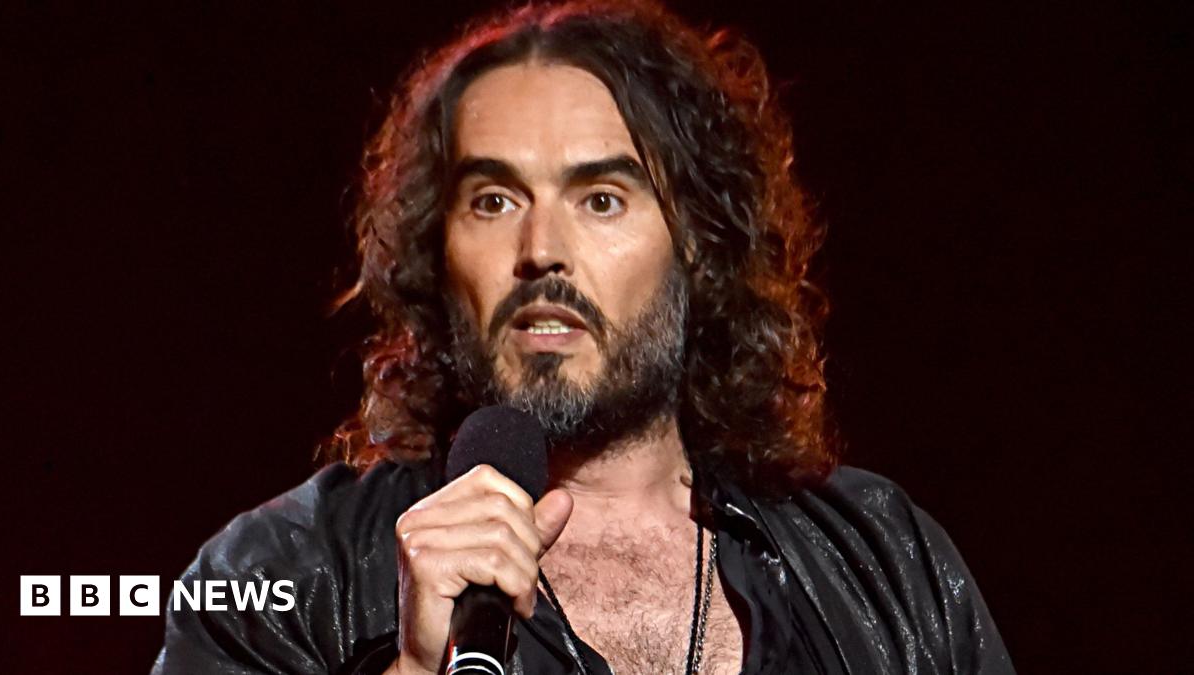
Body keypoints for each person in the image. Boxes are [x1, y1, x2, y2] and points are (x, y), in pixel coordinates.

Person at [152, 1, 1013, 673]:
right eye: (493, 201)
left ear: (697, 246)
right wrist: (415, 666)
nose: (541, 251)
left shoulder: (882, 559)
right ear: (435, 251)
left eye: (601, 198)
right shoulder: (287, 570)